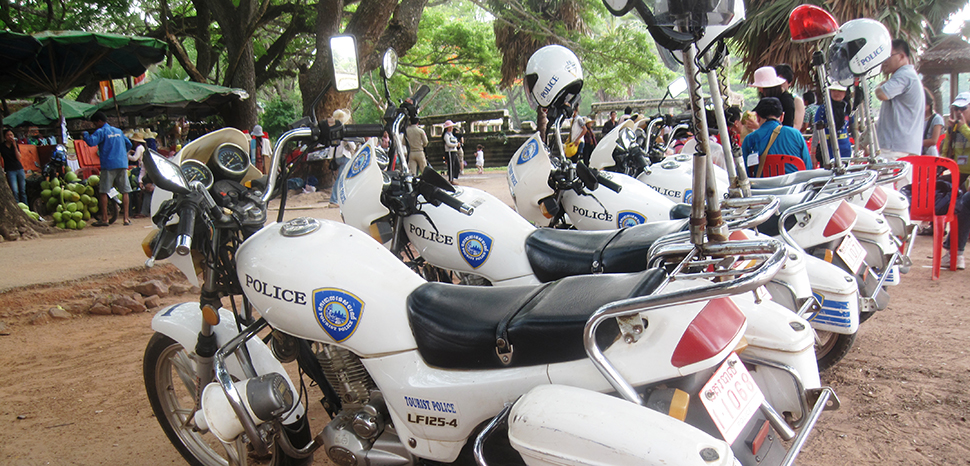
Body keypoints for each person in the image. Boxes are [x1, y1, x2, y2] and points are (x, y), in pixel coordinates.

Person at [935, 93, 970, 269]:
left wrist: (963, 128)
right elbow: (946, 154)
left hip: (968, 177)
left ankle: (955, 252)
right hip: (959, 173)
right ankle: (929, 224)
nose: (959, 112)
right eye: (956, 109)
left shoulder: (964, 128)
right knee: (937, 187)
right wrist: (950, 132)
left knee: (963, 201)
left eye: (963, 109)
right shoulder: (955, 128)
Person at [875, 39, 924, 159]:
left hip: (895, 148)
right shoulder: (909, 75)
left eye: (888, 57)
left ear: (901, 56)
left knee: (885, 178)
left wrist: (879, 86)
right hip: (902, 147)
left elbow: (882, 94)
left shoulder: (904, 75)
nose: (884, 62)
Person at [82, 111, 132, 226]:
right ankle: (126, 219)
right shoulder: (118, 131)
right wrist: (121, 153)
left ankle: (104, 219)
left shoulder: (101, 131)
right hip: (122, 164)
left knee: (104, 191)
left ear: (99, 122)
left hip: (108, 165)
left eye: (95, 124)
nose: (95, 126)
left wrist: (85, 134)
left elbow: (91, 142)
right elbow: (128, 144)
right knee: (125, 191)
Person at [742, 97, 812, 176]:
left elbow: (743, 173)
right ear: (782, 116)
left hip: (763, 187)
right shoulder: (796, 134)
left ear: (757, 117)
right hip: (794, 186)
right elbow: (808, 168)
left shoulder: (750, 139)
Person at [813, 84, 852, 166]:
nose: (836, 93)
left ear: (845, 93)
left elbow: (854, 128)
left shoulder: (848, 109)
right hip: (827, 149)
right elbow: (816, 132)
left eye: (840, 91)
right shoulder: (823, 109)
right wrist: (813, 153)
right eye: (833, 90)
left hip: (845, 150)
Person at [328, 109, 354, 207]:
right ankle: (334, 199)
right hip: (344, 156)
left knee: (339, 178)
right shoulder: (344, 130)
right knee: (342, 179)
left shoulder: (333, 130)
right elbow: (352, 145)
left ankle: (338, 199)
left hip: (336, 156)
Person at [774, 64, 805, 131]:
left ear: (789, 83)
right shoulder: (770, 99)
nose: (779, 85)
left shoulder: (796, 100)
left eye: (782, 81)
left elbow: (796, 125)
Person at [1, 128, 27, 204]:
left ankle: (26, 206)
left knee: (23, 190)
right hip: (10, 170)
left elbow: (18, 157)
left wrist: (15, 146)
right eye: (8, 135)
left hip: (19, 169)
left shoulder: (15, 146)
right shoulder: (2, 146)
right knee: (15, 191)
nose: (10, 136)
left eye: (11, 135)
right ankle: (17, 205)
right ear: (5, 137)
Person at [127, 133, 150, 218]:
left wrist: (128, 155)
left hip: (153, 179)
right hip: (145, 175)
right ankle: (143, 211)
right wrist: (141, 181)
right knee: (146, 189)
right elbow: (143, 170)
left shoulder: (139, 148)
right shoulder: (142, 149)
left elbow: (134, 159)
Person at [923, 88, 944, 156]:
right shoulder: (918, 119)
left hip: (929, 153)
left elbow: (934, 141)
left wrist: (916, 143)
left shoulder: (936, 119)